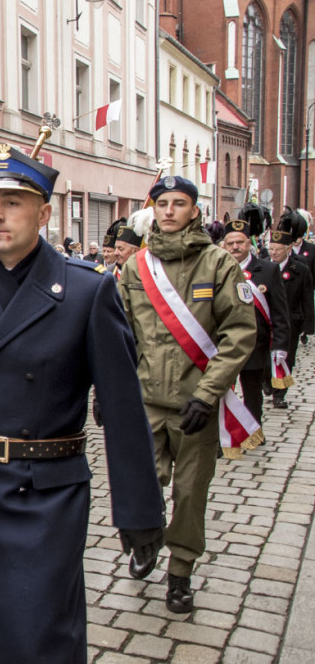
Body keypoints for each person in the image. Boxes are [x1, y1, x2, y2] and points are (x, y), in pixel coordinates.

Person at [0, 144, 164, 663]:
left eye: (13, 202)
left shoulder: (87, 293)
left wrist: (139, 509)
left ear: (44, 214)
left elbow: (123, 406)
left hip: (47, 495)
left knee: (39, 639)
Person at [119, 176, 256, 614]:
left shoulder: (219, 265)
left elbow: (239, 333)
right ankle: (145, 540)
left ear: (194, 210)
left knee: (190, 492)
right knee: (141, 484)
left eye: (180, 204)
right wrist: (110, 390)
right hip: (143, 400)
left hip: (195, 404)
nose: (170, 211)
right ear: (153, 209)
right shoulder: (136, 268)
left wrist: (208, 393)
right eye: (163, 203)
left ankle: (180, 572)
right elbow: (119, 334)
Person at [222, 220, 289, 426]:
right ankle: (222, 437)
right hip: (223, 343)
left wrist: (279, 345)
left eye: (240, 242)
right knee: (222, 392)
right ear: (224, 244)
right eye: (230, 242)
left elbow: (279, 312)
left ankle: (253, 431)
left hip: (254, 343)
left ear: (249, 243)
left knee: (252, 392)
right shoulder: (216, 268)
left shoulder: (268, 270)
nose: (235, 247)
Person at [267, 230, 314, 410]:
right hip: (266, 322)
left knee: (287, 358)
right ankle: (267, 381)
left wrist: (308, 325)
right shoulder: (262, 268)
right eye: (271, 249)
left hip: (290, 322)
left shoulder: (300, 270)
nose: (273, 253)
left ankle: (280, 394)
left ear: (288, 249)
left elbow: (307, 298)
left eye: (278, 249)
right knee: (264, 357)